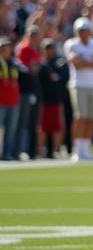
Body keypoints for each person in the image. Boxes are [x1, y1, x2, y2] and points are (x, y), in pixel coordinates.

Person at [64, 17, 93, 162]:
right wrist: (92, 63)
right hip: (78, 85)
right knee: (80, 116)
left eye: (86, 30)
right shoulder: (71, 44)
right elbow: (76, 63)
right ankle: (77, 149)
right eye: (81, 30)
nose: (83, 33)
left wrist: (86, 61)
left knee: (91, 118)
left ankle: (86, 148)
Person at [15, 25, 42, 159]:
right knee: (23, 122)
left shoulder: (35, 49)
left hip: (34, 89)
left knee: (33, 122)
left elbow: (37, 65)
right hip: (25, 89)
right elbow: (33, 69)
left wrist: (36, 64)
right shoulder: (25, 48)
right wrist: (36, 64)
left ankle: (32, 151)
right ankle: (19, 150)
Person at [37, 39, 66, 159]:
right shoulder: (41, 64)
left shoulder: (58, 63)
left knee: (57, 127)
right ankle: (40, 151)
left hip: (56, 100)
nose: (49, 50)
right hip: (43, 101)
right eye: (47, 48)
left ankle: (55, 150)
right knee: (42, 127)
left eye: (51, 48)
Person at [0, 38, 21, 161]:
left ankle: (7, 153)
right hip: (1, 101)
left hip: (13, 101)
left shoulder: (13, 63)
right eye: (5, 46)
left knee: (10, 130)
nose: (8, 49)